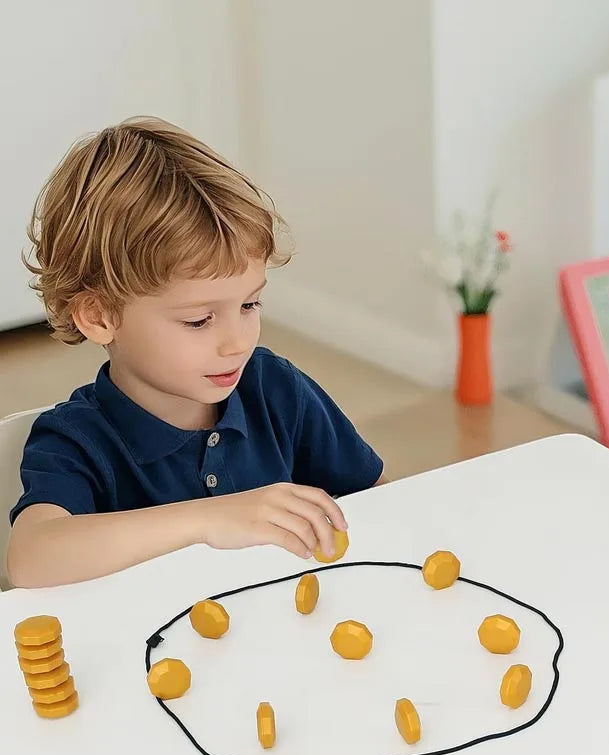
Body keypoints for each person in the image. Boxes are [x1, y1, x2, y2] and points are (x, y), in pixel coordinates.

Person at [6, 116, 385, 589]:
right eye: (198, 320)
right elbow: (32, 560)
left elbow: (379, 504)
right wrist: (210, 519)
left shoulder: (276, 390)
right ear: (100, 317)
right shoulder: (76, 440)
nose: (238, 341)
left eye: (249, 304)